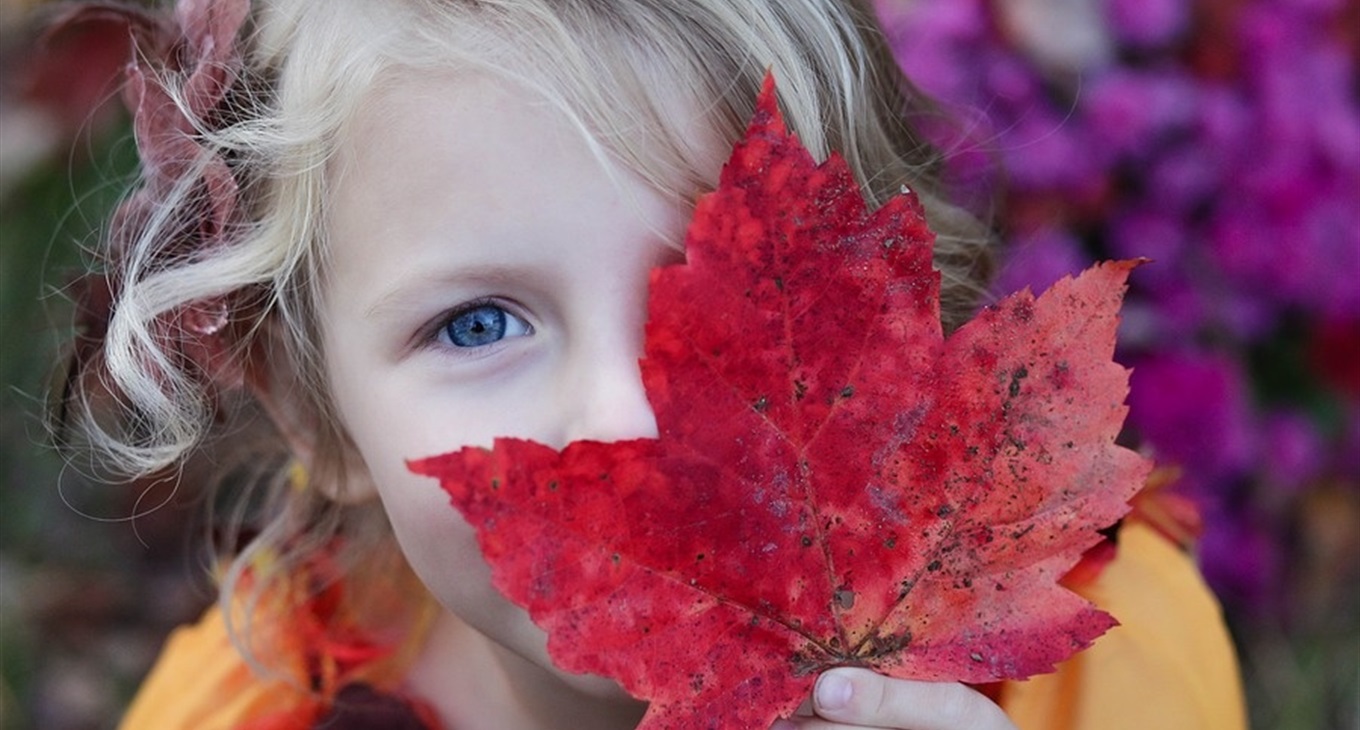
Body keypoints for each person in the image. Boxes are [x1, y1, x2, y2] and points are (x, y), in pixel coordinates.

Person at [50, 0, 1246, 728]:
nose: (631, 415)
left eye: (722, 290)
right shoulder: (248, 713)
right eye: (477, 325)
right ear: (314, 414)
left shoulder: (1102, 665)